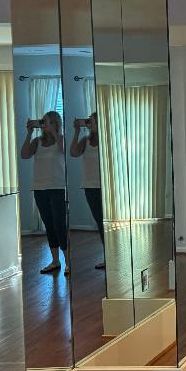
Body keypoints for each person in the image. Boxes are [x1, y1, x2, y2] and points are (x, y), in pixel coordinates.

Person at [20, 110, 69, 275]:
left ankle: (68, 262)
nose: (44, 125)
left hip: (57, 188)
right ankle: (55, 261)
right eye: (44, 122)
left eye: (48, 122)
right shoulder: (37, 141)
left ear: (56, 123)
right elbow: (24, 155)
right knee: (49, 225)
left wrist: (54, 132)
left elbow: (65, 150)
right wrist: (28, 133)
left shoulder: (60, 139)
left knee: (60, 225)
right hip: (39, 189)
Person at [70, 112, 105, 270]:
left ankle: (115, 255)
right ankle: (107, 256)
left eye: (91, 121)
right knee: (99, 222)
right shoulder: (86, 140)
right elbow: (73, 153)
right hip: (90, 187)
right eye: (88, 121)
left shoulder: (106, 139)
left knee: (109, 222)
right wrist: (77, 132)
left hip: (106, 186)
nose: (88, 123)